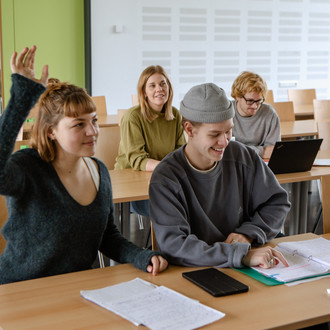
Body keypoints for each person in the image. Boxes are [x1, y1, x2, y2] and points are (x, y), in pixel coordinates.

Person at [0, 46, 167, 285]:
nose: (93, 131)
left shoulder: (99, 171)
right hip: (20, 291)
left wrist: (141, 256)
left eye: (94, 121)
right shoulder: (28, 168)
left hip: (75, 290)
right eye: (78, 125)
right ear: (51, 132)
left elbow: (107, 236)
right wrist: (21, 98)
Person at [149, 83, 291, 268]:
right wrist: (238, 254)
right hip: (196, 272)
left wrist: (248, 234)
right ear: (189, 130)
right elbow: (175, 246)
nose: (224, 142)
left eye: (229, 131)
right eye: (215, 134)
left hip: (248, 265)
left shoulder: (243, 155)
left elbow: (277, 203)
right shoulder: (166, 177)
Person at [115, 65, 186, 216]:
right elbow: (137, 159)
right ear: (144, 92)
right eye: (152, 86)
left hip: (162, 179)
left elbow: (181, 152)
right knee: (170, 210)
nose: (159, 89)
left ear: (169, 88)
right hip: (131, 183)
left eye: (162, 84)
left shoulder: (175, 115)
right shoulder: (133, 117)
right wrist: (167, 168)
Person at [231, 71, 280, 159]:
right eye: (250, 101)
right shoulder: (225, 112)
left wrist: (239, 150)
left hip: (260, 163)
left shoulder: (270, 114)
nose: (255, 106)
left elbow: (273, 151)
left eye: (259, 101)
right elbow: (228, 150)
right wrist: (262, 151)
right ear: (237, 96)